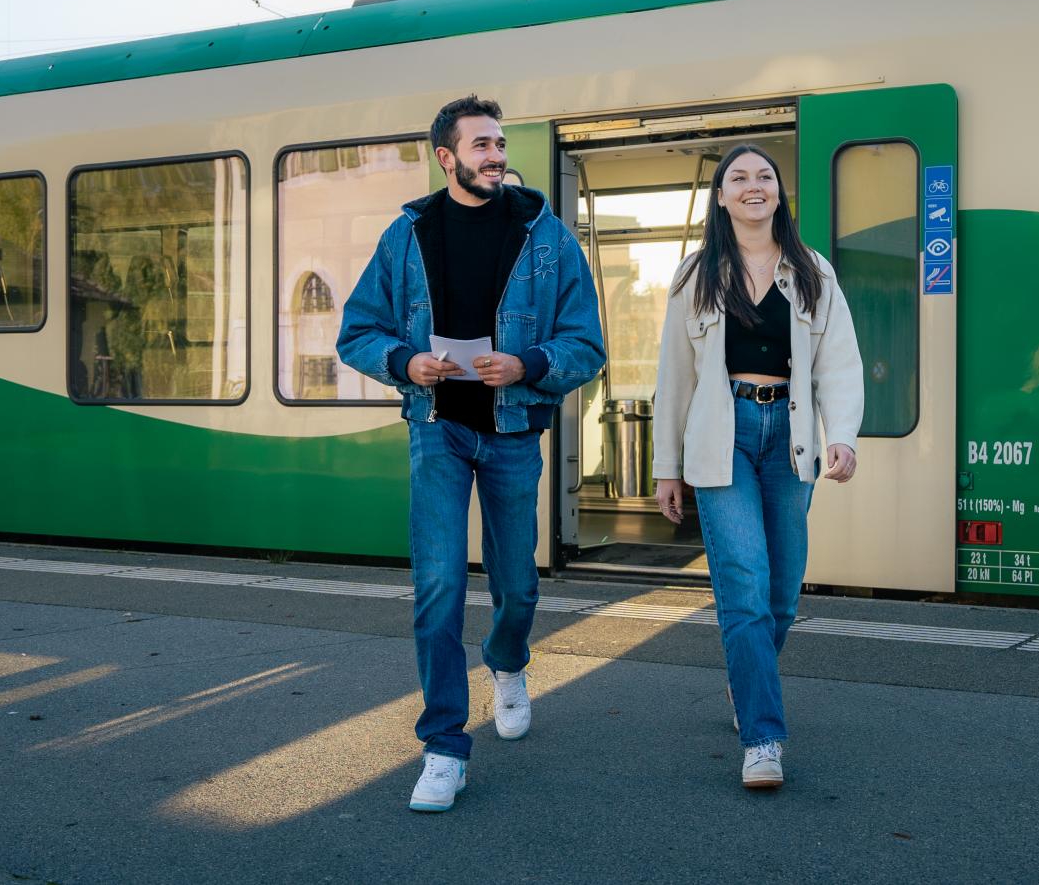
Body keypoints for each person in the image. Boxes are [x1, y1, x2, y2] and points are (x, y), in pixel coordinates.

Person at [337, 94, 605, 812]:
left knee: (516, 586)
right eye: (480, 144)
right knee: (438, 586)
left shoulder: (547, 237)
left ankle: (508, 662)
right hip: (437, 426)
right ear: (446, 157)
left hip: (514, 430)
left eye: (498, 143)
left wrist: (529, 363)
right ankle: (444, 746)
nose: (495, 154)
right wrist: (404, 360)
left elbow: (589, 346)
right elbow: (356, 329)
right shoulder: (407, 235)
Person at [650, 144, 863, 791]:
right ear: (720, 197)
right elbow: (675, 376)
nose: (752, 185)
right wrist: (666, 467)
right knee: (743, 586)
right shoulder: (695, 275)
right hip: (724, 437)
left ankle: (746, 679)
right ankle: (763, 738)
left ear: (778, 192)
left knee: (781, 596)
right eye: (737, 177)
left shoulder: (811, 270)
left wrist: (843, 435)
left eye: (763, 176)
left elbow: (840, 364)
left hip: (790, 438)